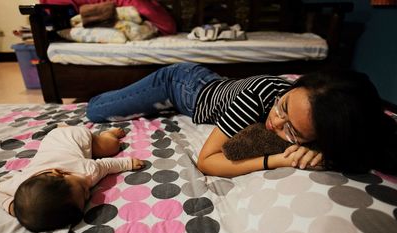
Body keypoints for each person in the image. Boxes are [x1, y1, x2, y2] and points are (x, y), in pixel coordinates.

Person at [86, 63, 397, 178]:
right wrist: (278, 160)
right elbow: (207, 161)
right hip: (180, 85)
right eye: (284, 105)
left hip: (212, 84)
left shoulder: (331, 122)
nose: (275, 122)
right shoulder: (260, 94)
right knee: (96, 111)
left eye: (293, 130)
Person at [0, 126, 144, 233]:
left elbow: (105, 165)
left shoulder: (85, 172)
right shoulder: (20, 184)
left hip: (76, 137)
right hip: (53, 137)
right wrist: (13, 205)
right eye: (85, 199)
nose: (88, 193)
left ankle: (107, 133)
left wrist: (127, 163)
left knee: (113, 147)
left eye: (83, 189)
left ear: (60, 173)